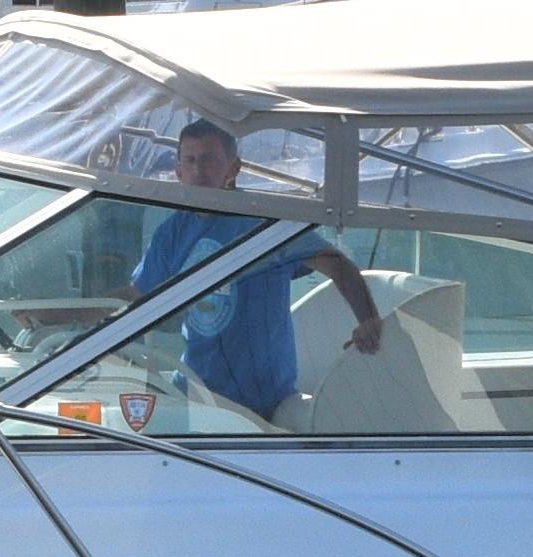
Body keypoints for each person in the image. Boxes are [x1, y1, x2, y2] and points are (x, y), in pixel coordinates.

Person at [135, 116, 380, 419]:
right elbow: (137, 295)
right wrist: (73, 316)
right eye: (191, 160)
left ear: (233, 168)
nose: (199, 170)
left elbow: (338, 265)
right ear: (178, 171)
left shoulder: (265, 221)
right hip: (194, 393)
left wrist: (368, 319)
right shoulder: (171, 232)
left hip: (259, 405)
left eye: (210, 160)